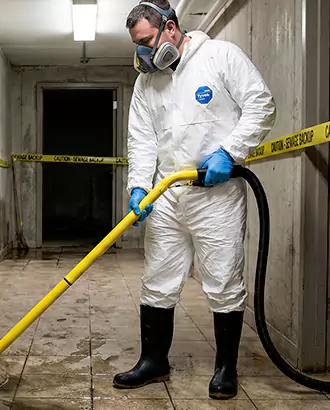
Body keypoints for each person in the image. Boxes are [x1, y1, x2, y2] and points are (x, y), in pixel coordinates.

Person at [115, 0, 277, 400]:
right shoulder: (146, 83)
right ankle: (154, 361)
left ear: (171, 29)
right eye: (137, 45)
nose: (144, 53)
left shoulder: (220, 56)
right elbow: (141, 138)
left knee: (223, 281)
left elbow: (261, 104)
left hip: (216, 196)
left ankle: (225, 370)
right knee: (158, 280)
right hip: (167, 194)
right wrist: (138, 186)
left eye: (148, 41)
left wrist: (231, 151)